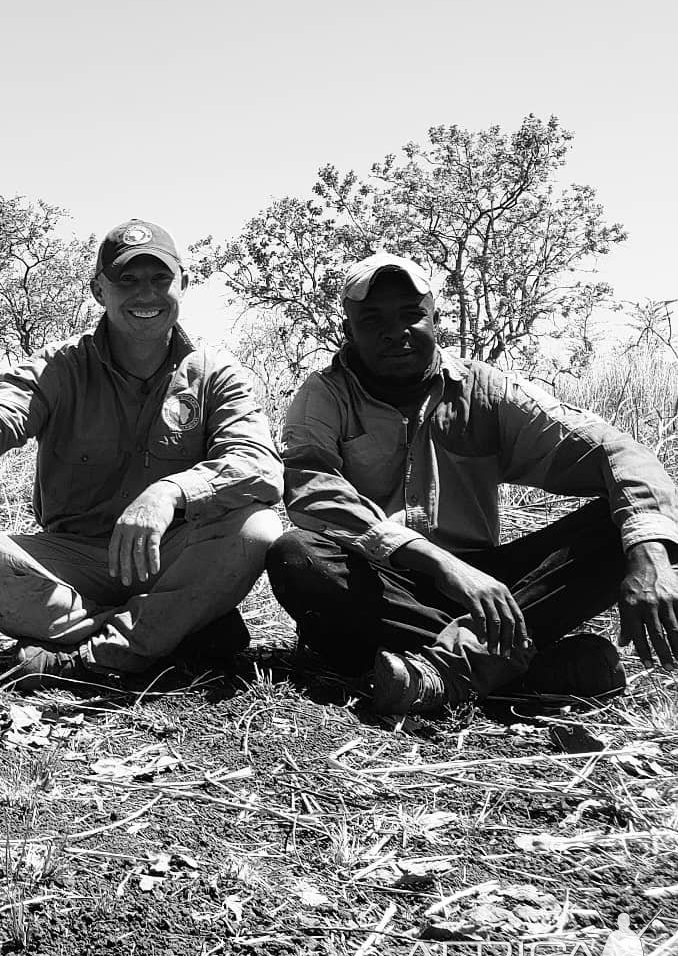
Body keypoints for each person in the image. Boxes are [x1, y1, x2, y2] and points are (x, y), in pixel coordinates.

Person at [267, 252, 678, 714]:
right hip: (384, 584)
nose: (394, 330)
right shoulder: (324, 393)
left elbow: (614, 451)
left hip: (490, 582)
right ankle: (527, 666)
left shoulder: (484, 389)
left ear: (435, 319)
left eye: (411, 315)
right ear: (348, 329)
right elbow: (312, 488)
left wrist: (649, 554)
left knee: (627, 523)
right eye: (372, 317)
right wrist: (440, 564)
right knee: (296, 554)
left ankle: (450, 670)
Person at [0, 218, 284, 687]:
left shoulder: (216, 374)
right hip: (75, 557)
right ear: (98, 290)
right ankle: (171, 630)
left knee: (258, 529)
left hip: (173, 554)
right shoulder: (58, 367)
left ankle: (96, 656)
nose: (145, 293)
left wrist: (169, 493)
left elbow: (258, 466)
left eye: (160, 278)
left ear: (182, 283)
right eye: (126, 280)